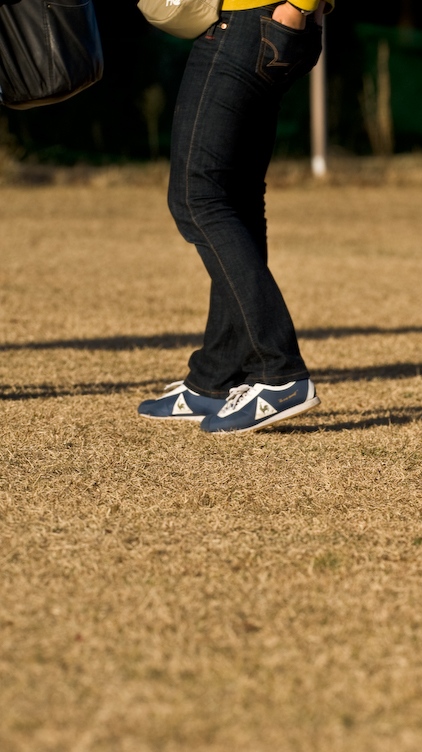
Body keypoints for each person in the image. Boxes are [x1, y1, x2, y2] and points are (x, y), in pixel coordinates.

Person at [137, 0, 331, 433]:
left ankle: (279, 373)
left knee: (197, 196)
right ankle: (216, 377)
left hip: (250, 23)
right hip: (266, 25)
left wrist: (298, 7)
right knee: (236, 198)